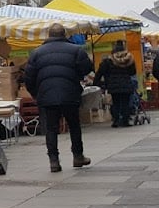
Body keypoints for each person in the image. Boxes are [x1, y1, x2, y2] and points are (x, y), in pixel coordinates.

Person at [22, 23, 94, 172]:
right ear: (65, 35)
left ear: (49, 35)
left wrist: (36, 93)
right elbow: (87, 68)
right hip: (70, 93)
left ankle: (54, 161)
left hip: (46, 96)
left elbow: (28, 77)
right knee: (74, 126)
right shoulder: (76, 50)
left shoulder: (36, 53)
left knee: (50, 129)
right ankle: (78, 156)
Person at [93, 40, 138, 127]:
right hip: (126, 84)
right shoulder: (129, 59)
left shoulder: (108, 61)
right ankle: (125, 121)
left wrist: (96, 83)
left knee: (115, 102)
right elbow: (132, 72)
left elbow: (100, 72)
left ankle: (116, 120)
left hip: (113, 85)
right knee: (125, 102)